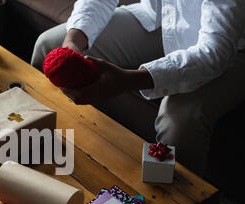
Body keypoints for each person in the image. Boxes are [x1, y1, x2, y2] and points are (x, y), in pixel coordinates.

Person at [31, 0, 245, 175]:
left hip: (232, 47)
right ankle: (30, 144)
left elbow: (215, 51)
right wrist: (72, 45)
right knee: (48, 46)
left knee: (178, 123)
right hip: (159, 19)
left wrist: (129, 80)